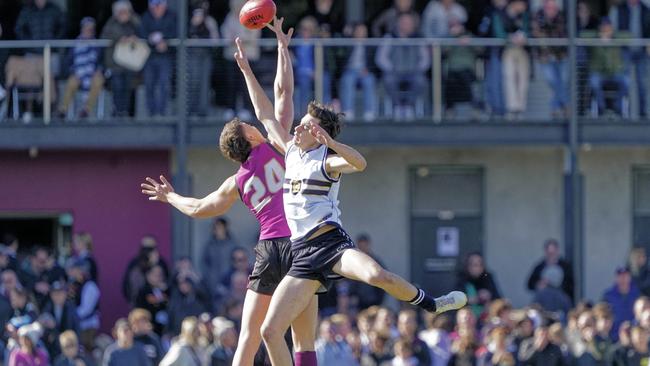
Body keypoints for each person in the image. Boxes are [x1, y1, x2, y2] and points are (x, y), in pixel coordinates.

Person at [253, 45, 465, 366]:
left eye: (305, 125)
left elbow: (361, 163)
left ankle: (433, 305)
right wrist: (247, 66)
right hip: (302, 255)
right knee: (270, 331)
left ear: (319, 133)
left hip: (332, 243)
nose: (296, 127)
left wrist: (332, 143)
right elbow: (267, 116)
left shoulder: (327, 159)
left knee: (377, 274)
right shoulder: (292, 152)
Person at [141, 18, 321, 366]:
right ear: (250, 137)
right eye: (249, 127)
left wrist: (170, 197)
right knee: (303, 338)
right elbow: (282, 95)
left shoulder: (237, 181)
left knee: (248, 340)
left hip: (268, 249)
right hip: (300, 242)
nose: (254, 125)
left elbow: (199, 207)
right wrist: (282, 49)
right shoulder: (276, 146)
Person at [376, 12, 431, 120]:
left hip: (413, 72)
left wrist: (418, 69)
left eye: (408, 23)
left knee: (420, 81)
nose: (406, 25)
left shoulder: (418, 38)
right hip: (394, 72)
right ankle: (398, 106)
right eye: (403, 22)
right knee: (388, 80)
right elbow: (380, 58)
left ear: (413, 24)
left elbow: (425, 59)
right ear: (398, 23)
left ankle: (408, 106)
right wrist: (391, 68)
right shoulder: (390, 37)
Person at [218, 0, 260, 121]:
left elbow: (253, 35)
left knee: (246, 85)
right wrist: (238, 39)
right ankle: (231, 108)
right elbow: (226, 34)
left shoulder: (252, 16)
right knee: (232, 84)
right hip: (232, 56)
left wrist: (238, 39)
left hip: (249, 57)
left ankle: (246, 109)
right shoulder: (229, 18)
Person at [57, 17, 104, 119]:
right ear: (82, 29)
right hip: (77, 73)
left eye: (91, 28)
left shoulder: (98, 44)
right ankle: (63, 110)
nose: (89, 30)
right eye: (87, 28)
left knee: (98, 81)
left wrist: (99, 70)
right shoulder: (74, 44)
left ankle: (86, 109)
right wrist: (73, 71)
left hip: (93, 73)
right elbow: (67, 62)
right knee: (71, 82)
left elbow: (101, 61)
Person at [609, 0, 650, 118]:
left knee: (642, 83)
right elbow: (613, 30)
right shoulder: (618, 9)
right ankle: (622, 112)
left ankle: (642, 113)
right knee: (624, 81)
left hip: (642, 51)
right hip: (624, 51)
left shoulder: (645, 9)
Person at [100, 0, 141, 117]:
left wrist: (134, 37)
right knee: (117, 86)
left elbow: (143, 31)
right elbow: (105, 36)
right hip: (115, 63)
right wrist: (120, 39)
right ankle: (118, 112)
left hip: (131, 63)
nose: (123, 14)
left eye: (125, 11)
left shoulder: (135, 21)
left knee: (130, 86)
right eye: (120, 11)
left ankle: (128, 113)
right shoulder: (111, 23)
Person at [139, 0, 177, 117]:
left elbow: (177, 32)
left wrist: (165, 41)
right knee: (149, 84)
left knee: (164, 84)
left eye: (159, 6)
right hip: (149, 57)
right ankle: (151, 112)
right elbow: (141, 33)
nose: (157, 9)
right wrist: (150, 40)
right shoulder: (145, 16)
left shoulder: (172, 16)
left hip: (165, 57)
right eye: (154, 6)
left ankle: (162, 112)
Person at [532, 0, 569, 119]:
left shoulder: (562, 16)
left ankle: (555, 108)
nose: (551, 10)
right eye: (548, 7)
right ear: (544, 6)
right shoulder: (538, 16)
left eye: (553, 8)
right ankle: (566, 104)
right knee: (553, 81)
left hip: (561, 56)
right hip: (545, 57)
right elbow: (538, 36)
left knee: (562, 81)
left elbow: (563, 35)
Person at [588, 17, 630, 116]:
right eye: (603, 28)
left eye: (608, 27)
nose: (606, 30)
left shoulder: (617, 40)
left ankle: (618, 106)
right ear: (600, 29)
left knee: (627, 81)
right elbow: (582, 35)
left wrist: (611, 40)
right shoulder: (593, 42)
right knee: (594, 82)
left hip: (615, 73)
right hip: (600, 73)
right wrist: (600, 40)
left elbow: (629, 35)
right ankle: (601, 107)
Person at [187, 2, 219, 117]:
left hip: (205, 56)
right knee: (192, 83)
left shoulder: (210, 21)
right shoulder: (188, 20)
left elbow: (215, 41)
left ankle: (202, 111)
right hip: (192, 57)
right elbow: (185, 36)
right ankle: (190, 110)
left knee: (204, 84)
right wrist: (193, 25)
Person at [121, 236, 169, 306]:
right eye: (147, 249)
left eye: (152, 249)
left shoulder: (161, 262)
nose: (150, 252)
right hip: (140, 302)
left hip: (159, 303)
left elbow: (166, 281)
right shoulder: (135, 264)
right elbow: (128, 285)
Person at [201, 218, 239, 300]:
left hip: (229, 283)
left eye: (219, 227)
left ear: (225, 228)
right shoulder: (210, 245)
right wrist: (208, 278)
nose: (216, 230)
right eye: (215, 227)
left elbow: (237, 263)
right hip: (212, 283)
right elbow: (205, 263)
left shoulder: (232, 244)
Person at [67, 259, 100, 353]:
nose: (70, 272)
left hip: (88, 327)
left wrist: (71, 316)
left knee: (86, 353)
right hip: (76, 326)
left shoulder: (90, 285)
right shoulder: (73, 285)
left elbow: (86, 310)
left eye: (73, 269)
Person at [348, 234, 386, 311]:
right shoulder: (353, 261)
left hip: (374, 302)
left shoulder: (375, 262)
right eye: (360, 245)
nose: (363, 248)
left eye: (364, 245)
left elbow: (384, 280)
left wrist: (379, 300)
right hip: (358, 304)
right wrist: (352, 295)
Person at [457, 252, 501, 317]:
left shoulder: (487, 277)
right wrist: (471, 299)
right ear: (468, 266)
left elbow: (498, 299)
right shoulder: (461, 279)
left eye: (480, 265)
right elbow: (455, 300)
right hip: (467, 317)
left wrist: (489, 295)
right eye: (474, 265)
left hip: (486, 318)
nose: (477, 268)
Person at [603, 267, 640, 339]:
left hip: (634, 336)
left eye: (625, 275)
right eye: (620, 276)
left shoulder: (638, 294)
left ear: (630, 277)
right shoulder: (608, 296)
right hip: (613, 336)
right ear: (616, 278)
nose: (623, 278)